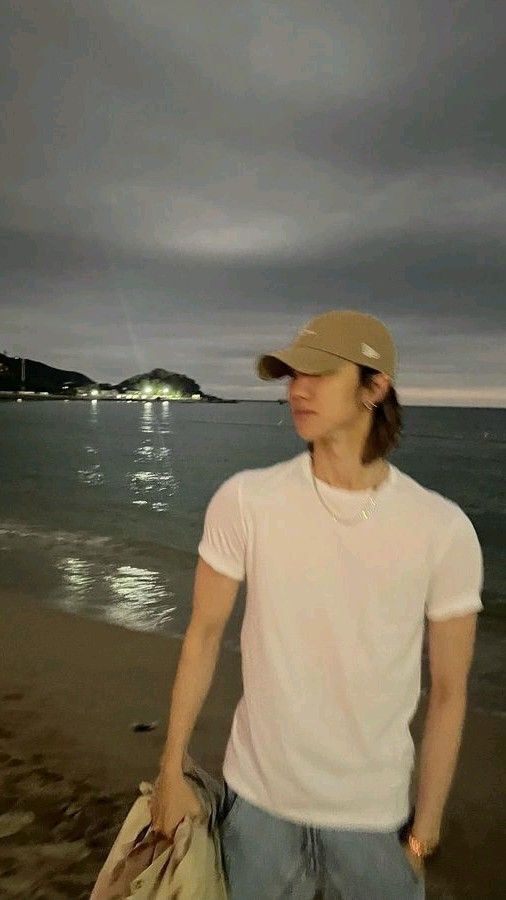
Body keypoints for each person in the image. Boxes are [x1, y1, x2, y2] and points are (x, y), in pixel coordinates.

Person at [150, 309, 484, 899]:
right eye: (290, 375)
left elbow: (451, 690)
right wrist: (170, 767)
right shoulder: (246, 501)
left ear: (375, 387)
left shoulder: (442, 529)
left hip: (375, 827)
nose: (297, 389)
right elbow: (202, 635)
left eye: (320, 374)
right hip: (256, 812)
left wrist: (423, 831)